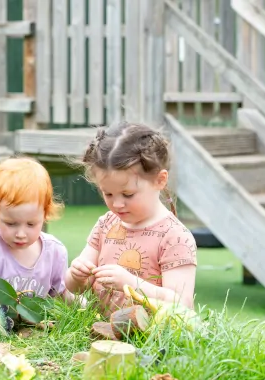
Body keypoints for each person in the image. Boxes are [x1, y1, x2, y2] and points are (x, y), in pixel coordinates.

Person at [65, 122, 197, 317]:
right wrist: (76, 276)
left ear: (159, 180)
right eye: (108, 193)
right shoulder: (106, 224)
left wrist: (132, 284)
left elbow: (182, 304)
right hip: (100, 333)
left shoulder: (175, 237)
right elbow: (75, 288)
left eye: (127, 194)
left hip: (151, 339)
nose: (117, 204)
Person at [0, 157, 75, 309]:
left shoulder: (55, 252)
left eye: (31, 224)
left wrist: (88, 307)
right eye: (11, 223)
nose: (21, 233)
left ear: (45, 214)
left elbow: (63, 297)